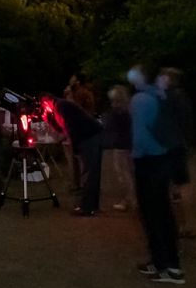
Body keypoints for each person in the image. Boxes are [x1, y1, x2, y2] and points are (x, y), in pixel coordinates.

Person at [128, 65, 184, 285]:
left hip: (149, 161)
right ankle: (164, 261)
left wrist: (135, 158)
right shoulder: (158, 95)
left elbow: (140, 136)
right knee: (162, 211)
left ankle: (167, 267)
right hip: (164, 158)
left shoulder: (141, 99)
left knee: (152, 214)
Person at [48, 89, 102, 216]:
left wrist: (76, 148)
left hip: (89, 137)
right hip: (91, 135)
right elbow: (64, 128)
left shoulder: (61, 105)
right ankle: (92, 206)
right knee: (92, 172)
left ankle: (86, 207)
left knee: (89, 172)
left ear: (47, 100)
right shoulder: (60, 106)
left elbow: (70, 127)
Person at [158, 68, 195, 237]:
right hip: (176, 145)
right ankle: (183, 224)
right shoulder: (179, 97)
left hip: (169, 147)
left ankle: (180, 224)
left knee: (174, 186)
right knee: (177, 185)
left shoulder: (169, 97)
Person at [65, 75, 102, 215]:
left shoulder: (81, 93)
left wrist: (69, 96)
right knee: (90, 169)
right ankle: (91, 204)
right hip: (88, 131)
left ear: (77, 81)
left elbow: (75, 110)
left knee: (86, 169)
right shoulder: (85, 93)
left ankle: (86, 205)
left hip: (85, 133)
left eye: (73, 79)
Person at [102, 85, 135, 211]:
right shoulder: (129, 110)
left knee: (124, 175)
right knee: (130, 174)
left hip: (121, 146)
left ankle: (130, 200)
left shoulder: (118, 112)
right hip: (129, 144)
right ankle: (130, 199)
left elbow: (110, 127)